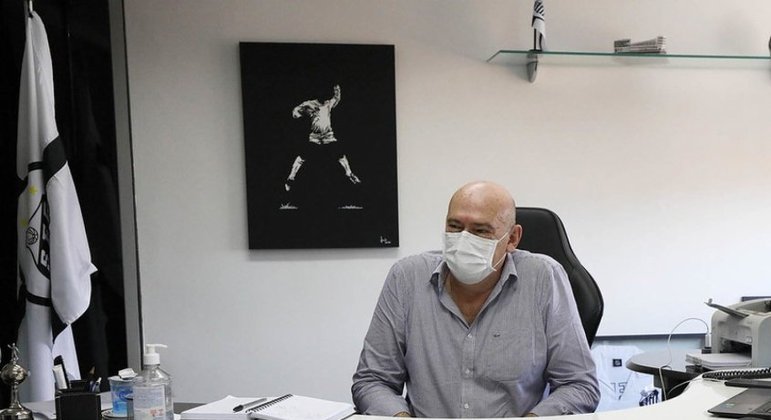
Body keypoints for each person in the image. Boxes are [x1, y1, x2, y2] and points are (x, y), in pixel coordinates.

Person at [351, 181, 599, 417]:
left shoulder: (543, 278)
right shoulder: (407, 277)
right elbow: (373, 381)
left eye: (480, 231)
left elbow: (579, 385)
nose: (463, 240)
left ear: (512, 238)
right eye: (455, 227)